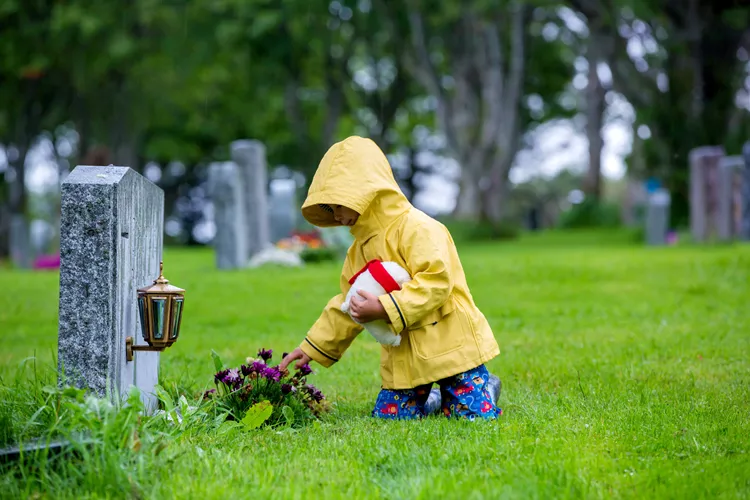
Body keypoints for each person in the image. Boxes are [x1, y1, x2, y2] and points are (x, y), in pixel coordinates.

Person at [279, 136, 502, 420]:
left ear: (365, 191)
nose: (336, 214)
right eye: (329, 209)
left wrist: (384, 307)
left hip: (450, 345)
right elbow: (349, 305)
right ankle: (433, 397)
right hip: (405, 358)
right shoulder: (358, 250)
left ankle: (484, 388)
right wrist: (311, 348)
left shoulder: (418, 228)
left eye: (339, 203)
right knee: (391, 416)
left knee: (472, 415)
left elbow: (437, 281)